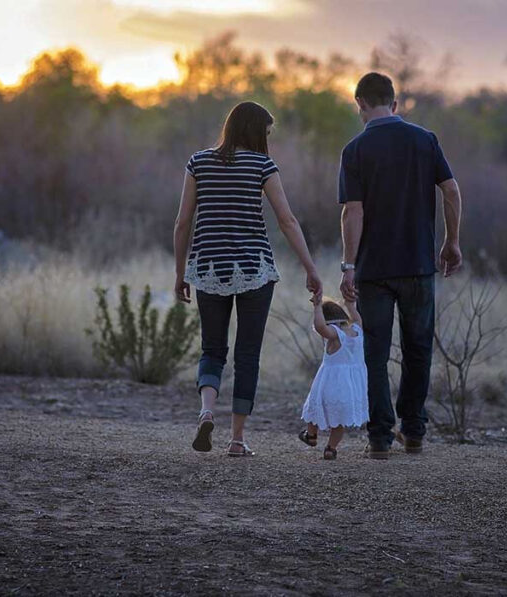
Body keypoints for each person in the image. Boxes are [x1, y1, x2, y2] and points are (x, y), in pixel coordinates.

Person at [173, 101, 322, 457]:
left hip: (208, 268)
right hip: (255, 269)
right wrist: (311, 268)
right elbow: (287, 221)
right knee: (247, 355)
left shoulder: (198, 162)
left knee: (212, 348)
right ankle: (237, 439)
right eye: (267, 133)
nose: (268, 140)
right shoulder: (262, 165)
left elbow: (182, 223)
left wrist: (181, 273)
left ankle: (207, 410)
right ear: (256, 132)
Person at [338, 72, 464, 460]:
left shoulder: (355, 149)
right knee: (418, 349)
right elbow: (451, 190)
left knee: (374, 353)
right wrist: (451, 241)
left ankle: (379, 437)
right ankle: (414, 432)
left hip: (374, 270)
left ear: (360, 103)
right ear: (394, 103)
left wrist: (348, 265)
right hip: (417, 265)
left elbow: (352, 212)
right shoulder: (425, 140)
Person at [298, 297, 369, 460]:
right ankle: (331, 448)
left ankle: (311, 435)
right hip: (351, 387)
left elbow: (320, 327)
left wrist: (317, 307)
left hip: (331, 383)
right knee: (339, 420)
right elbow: (357, 317)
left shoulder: (335, 335)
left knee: (315, 407)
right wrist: (350, 305)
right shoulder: (357, 330)